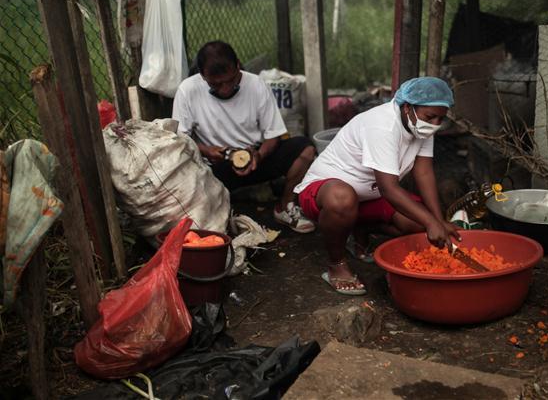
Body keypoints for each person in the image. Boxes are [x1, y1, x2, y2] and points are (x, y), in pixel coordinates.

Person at [294, 76, 462, 295]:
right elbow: (389, 189)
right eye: (430, 117)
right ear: (408, 107)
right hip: (324, 194)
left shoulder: (422, 125)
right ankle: (336, 264)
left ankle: (359, 227)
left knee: (419, 224)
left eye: (441, 119)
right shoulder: (382, 126)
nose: (435, 125)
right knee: (342, 199)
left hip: (367, 197)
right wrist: (432, 221)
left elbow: (424, 171)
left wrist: (438, 221)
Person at [172, 41, 317, 233]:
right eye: (215, 84)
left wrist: (259, 155)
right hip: (215, 166)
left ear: (238, 65)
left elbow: (273, 135)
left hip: (255, 158)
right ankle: (215, 218)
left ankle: (285, 206)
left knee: (305, 148)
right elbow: (180, 138)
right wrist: (207, 150)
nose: (225, 89)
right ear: (202, 75)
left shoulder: (256, 84)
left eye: (231, 81)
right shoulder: (187, 90)